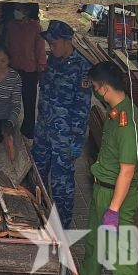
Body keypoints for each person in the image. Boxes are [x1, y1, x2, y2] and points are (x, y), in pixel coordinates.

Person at [81, 61, 138, 275]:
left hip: (116, 196)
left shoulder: (127, 124)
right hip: (103, 191)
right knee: (94, 247)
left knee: (122, 257)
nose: (95, 92)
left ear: (105, 88)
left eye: (96, 87)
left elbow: (127, 170)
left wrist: (114, 211)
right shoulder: (114, 113)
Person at [32, 20, 93, 228]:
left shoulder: (82, 68)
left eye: (54, 43)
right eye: (49, 43)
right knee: (37, 176)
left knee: (61, 186)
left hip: (64, 139)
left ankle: (62, 228)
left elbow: (82, 109)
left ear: (67, 41)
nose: (51, 47)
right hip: (43, 132)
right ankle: (38, 217)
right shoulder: (53, 61)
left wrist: (75, 141)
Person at [6, 3, 47, 139]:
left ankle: (28, 130)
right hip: (13, 68)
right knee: (11, 100)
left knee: (29, 102)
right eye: (16, 8)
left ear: (28, 11)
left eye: (19, 9)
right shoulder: (11, 26)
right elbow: (8, 45)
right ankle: (8, 126)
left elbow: (40, 50)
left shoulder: (35, 28)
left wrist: (41, 70)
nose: (16, 11)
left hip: (30, 71)